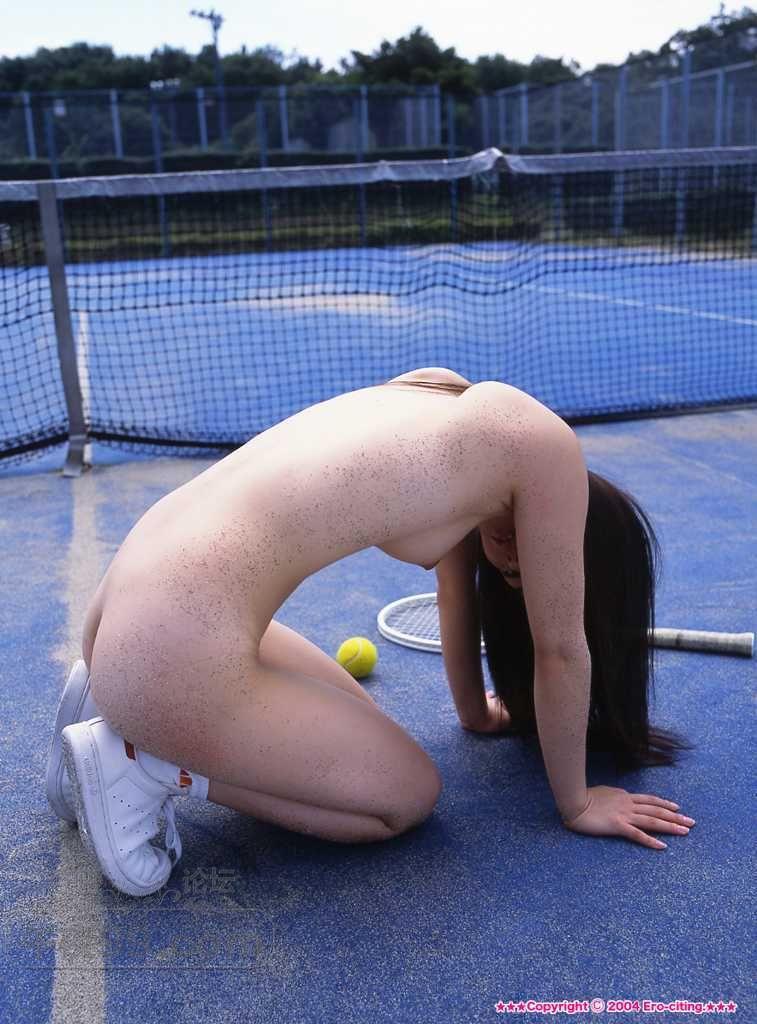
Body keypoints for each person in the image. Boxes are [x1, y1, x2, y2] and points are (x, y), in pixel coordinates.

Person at [46, 367, 695, 897]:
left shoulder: (443, 395)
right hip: (170, 645)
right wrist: (577, 803)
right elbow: (560, 648)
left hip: (129, 600)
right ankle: (145, 761)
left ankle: (110, 695)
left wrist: (475, 713)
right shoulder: (547, 452)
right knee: (404, 797)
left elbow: (453, 588)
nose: (509, 564)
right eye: (526, 569)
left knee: (364, 731)